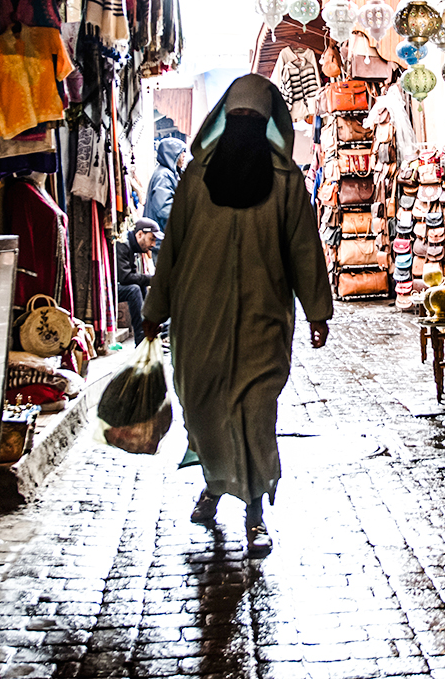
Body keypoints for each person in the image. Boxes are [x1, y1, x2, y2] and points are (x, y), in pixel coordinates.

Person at [142, 74, 331, 555]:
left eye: (253, 118)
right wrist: (154, 307)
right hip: (197, 317)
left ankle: (254, 509)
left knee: (254, 413)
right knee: (204, 408)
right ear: (229, 119)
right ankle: (213, 484)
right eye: (240, 117)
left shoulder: (287, 182)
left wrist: (317, 311)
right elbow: (173, 251)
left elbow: (303, 250)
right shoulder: (195, 179)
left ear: (265, 122)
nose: (246, 124)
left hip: (262, 318)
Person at [114, 218, 161, 328]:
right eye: (151, 239)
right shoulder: (123, 244)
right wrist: (152, 279)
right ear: (140, 234)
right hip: (105, 288)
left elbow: (133, 276)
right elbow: (125, 277)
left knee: (140, 285)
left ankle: (149, 325)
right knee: (133, 290)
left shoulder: (132, 246)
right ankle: (142, 336)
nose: (153, 244)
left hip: (116, 285)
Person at [144, 137, 188, 230]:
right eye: (181, 152)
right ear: (172, 155)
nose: (184, 155)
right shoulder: (163, 175)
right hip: (159, 235)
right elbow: (164, 209)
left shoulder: (170, 173)